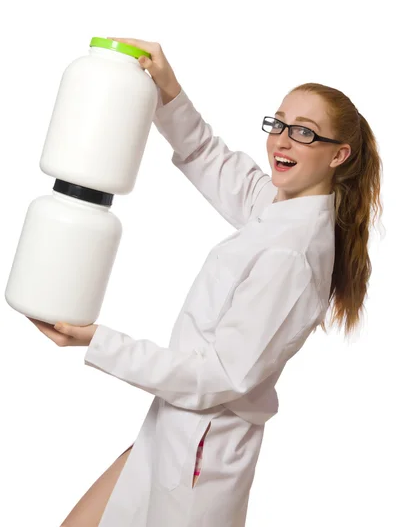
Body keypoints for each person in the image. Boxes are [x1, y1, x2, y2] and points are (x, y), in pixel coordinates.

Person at [29, 38, 383, 527]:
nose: (282, 140)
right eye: (279, 123)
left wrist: (98, 341)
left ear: (339, 155)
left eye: (304, 132)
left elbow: (219, 376)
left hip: (201, 454)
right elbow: (207, 155)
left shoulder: (294, 255)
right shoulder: (280, 208)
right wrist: (169, 92)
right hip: (173, 426)